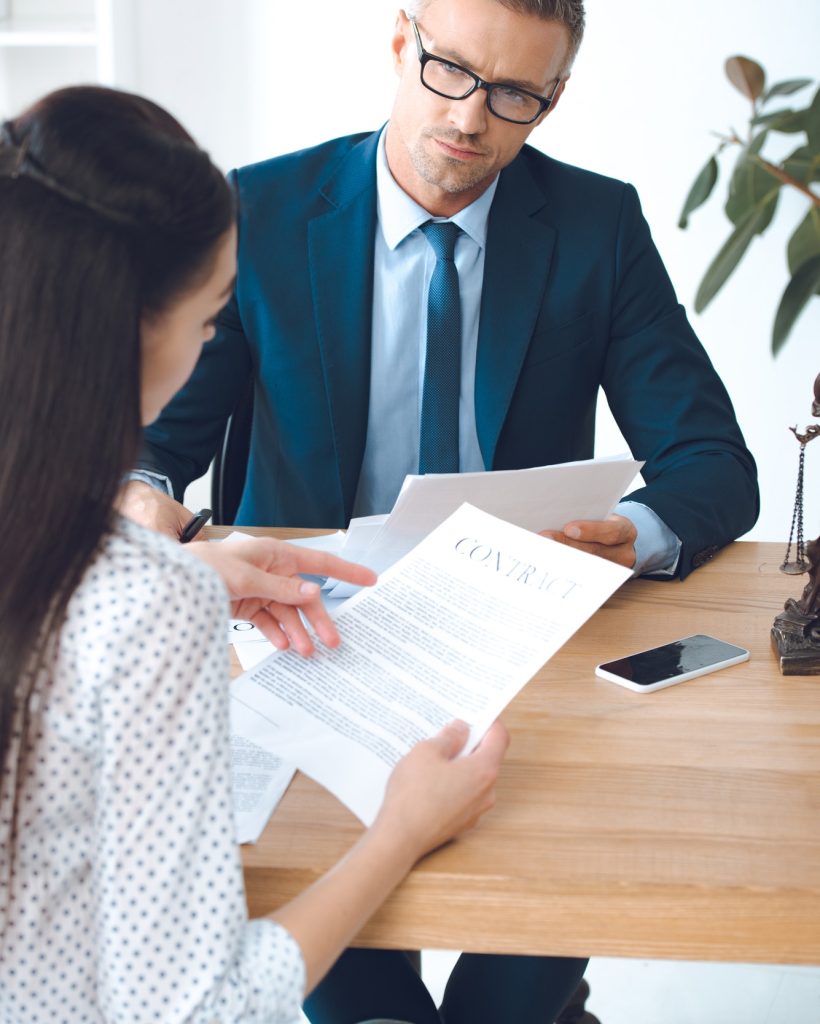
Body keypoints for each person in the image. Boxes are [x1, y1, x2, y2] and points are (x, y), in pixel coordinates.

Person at [123, 0, 759, 1020]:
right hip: (308, 641)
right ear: (398, 45)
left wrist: (630, 535)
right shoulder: (263, 212)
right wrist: (146, 502)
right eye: (449, 70)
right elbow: (157, 444)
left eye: (512, 93)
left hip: (516, 658)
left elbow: (711, 460)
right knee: (366, 998)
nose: (469, 117)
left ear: (552, 99)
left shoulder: (595, 227)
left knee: (510, 994)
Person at [0, 85, 509, 1024]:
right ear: (129, 332)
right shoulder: (142, 605)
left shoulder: (98, 575)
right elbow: (205, 1008)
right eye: (207, 322)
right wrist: (401, 831)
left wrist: (180, 571)